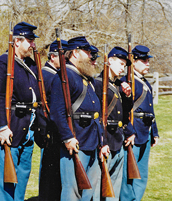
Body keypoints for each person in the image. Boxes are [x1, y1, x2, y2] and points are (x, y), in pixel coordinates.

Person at [0, 21, 44, 201]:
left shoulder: (32, 65)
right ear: (17, 41)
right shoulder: (2, 63)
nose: (33, 44)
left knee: (22, 176)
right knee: (5, 180)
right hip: (9, 128)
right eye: (29, 40)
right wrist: (2, 127)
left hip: (27, 128)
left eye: (33, 40)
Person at [49, 36, 103, 200]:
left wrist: (100, 140)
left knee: (89, 190)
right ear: (75, 53)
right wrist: (67, 137)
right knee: (72, 191)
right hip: (75, 140)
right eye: (86, 52)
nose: (90, 56)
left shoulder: (84, 77)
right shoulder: (64, 77)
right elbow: (57, 112)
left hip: (91, 140)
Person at [94, 46, 135, 201]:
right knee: (100, 188)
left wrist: (127, 96)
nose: (122, 68)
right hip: (105, 141)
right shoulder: (98, 84)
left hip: (117, 140)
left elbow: (125, 113)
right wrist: (101, 141)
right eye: (120, 64)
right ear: (109, 61)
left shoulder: (119, 85)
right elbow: (97, 117)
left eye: (124, 66)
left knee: (114, 190)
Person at [120, 45, 159, 201]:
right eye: (143, 60)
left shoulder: (145, 83)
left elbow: (151, 111)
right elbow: (123, 111)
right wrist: (129, 132)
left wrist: (154, 132)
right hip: (133, 132)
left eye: (147, 60)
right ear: (133, 61)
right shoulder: (126, 82)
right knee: (128, 173)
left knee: (141, 173)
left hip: (146, 131)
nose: (147, 63)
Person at [39, 39, 68, 201]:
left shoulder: (53, 75)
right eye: (62, 57)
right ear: (52, 57)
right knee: (49, 177)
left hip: (52, 129)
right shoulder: (48, 75)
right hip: (49, 130)